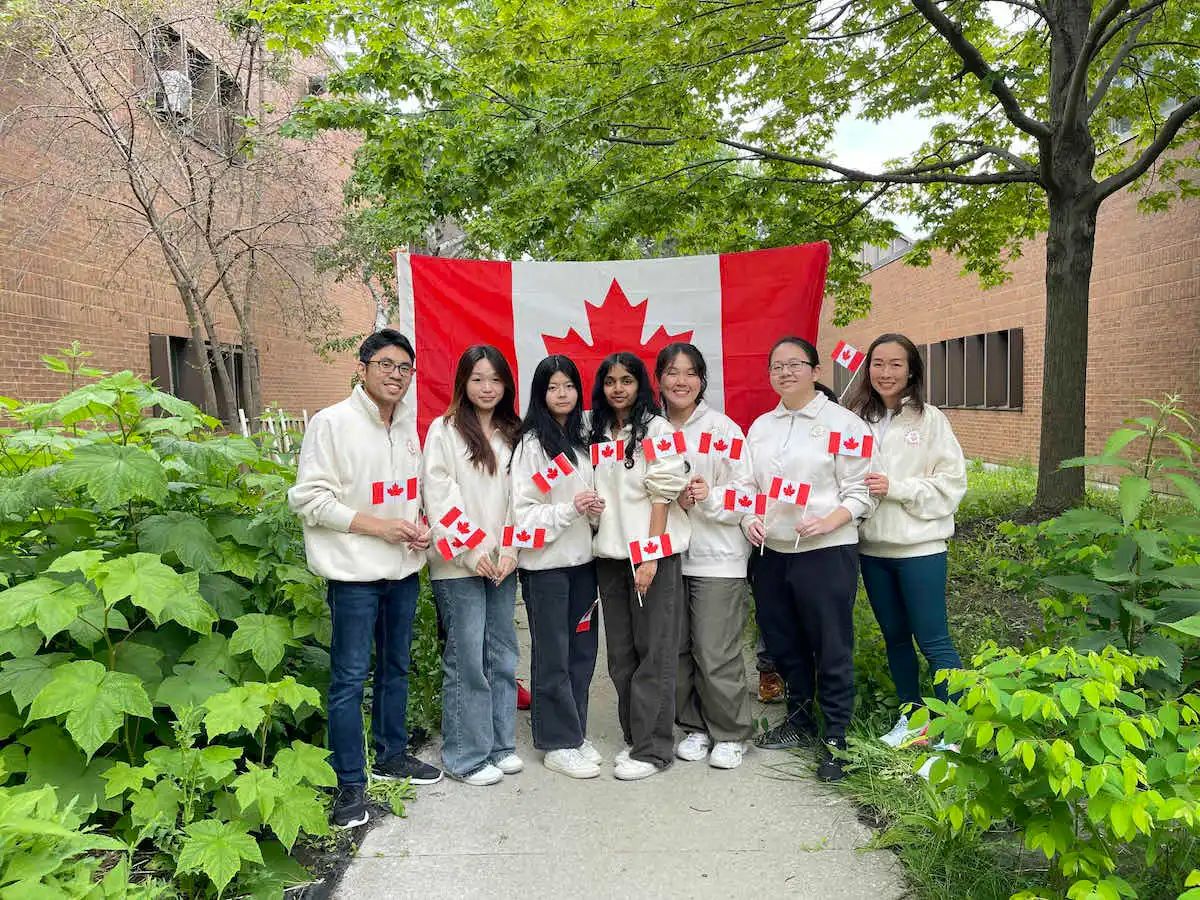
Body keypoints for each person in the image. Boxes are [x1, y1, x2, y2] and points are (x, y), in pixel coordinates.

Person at [288, 329, 443, 829]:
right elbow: (310, 499)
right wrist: (380, 527)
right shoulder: (332, 424)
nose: (396, 376)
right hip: (353, 574)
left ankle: (392, 754)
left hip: (402, 571)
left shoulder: (405, 428)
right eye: (386, 365)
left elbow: (405, 495)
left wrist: (417, 527)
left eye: (405, 368)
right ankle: (349, 783)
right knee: (350, 679)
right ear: (363, 367)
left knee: (396, 668)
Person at [743, 336, 874, 782]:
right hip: (772, 552)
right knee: (783, 642)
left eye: (794, 364)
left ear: (815, 371)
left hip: (825, 551)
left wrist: (830, 520)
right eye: (776, 366)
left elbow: (859, 492)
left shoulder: (844, 424)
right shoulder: (761, 426)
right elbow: (748, 488)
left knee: (831, 644)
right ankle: (799, 720)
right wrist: (748, 520)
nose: (785, 373)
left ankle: (838, 736)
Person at [846, 333, 967, 747]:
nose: (885, 372)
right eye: (878, 363)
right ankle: (911, 717)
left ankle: (954, 731)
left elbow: (952, 485)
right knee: (894, 637)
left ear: (911, 369)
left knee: (934, 640)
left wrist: (895, 487)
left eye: (895, 364)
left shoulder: (931, 420)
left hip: (920, 550)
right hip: (872, 550)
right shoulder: (855, 419)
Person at [423, 345, 522, 786]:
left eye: (495, 379)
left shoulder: (514, 433)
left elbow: (523, 498)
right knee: (467, 660)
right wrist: (474, 550)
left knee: (503, 655)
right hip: (460, 564)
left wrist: (511, 548)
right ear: (463, 381)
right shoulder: (443, 432)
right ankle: (465, 755)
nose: (487, 387)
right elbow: (439, 496)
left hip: (504, 562)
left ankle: (501, 745)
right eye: (478, 378)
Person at [589, 352, 690, 781]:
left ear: (640, 384)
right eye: (610, 381)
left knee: (655, 653)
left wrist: (649, 554)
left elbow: (663, 491)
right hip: (610, 557)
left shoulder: (659, 429)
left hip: (650, 557)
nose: (618, 388)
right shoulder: (595, 430)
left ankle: (654, 750)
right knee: (622, 656)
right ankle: (635, 736)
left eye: (626, 380)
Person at [655, 343, 755, 770]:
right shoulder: (650, 427)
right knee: (675, 649)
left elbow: (746, 491)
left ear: (702, 380)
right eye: (673, 372)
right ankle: (694, 725)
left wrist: (709, 496)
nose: (681, 381)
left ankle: (731, 732)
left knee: (715, 650)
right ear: (659, 378)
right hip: (667, 555)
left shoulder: (723, 429)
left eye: (690, 373)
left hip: (718, 556)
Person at [509, 355, 606, 779]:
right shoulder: (532, 445)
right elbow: (523, 514)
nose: (562, 394)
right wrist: (569, 510)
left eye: (568, 386)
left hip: (584, 566)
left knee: (582, 652)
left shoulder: (585, 441)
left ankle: (575, 730)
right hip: (546, 568)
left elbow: (595, 504)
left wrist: (597, 512)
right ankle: (555, 742)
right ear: (540, 393)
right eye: (553, 387)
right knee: (553, 654)